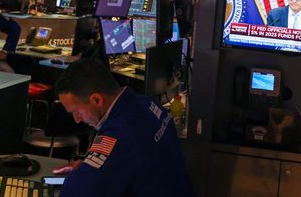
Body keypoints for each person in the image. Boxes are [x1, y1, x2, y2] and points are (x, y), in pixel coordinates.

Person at [51, 58, 194, 196]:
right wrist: (89, 167)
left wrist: (83, 173)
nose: (77, 120)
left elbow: (79, 191)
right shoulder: (146, 104)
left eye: (76, 112)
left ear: (96, 100)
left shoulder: (119, 133)